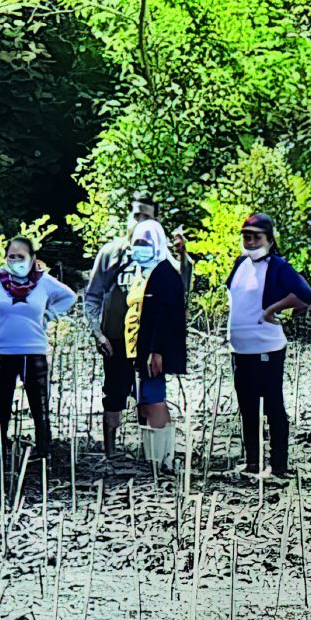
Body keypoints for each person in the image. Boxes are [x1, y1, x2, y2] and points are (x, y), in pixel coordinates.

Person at [83, 192, 192, 457]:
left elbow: (179, 293)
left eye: (146, 216)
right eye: (136, 215)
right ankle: (111, 453)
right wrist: (97, 333)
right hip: (116, 338)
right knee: (114, 394)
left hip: (149, 341)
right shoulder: (112, 252)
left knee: (150, 394)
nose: (139, 220)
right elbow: (93, 295)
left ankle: (154, 455)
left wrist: (184, 258)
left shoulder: (162, 255)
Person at [0, 237, 77, 463]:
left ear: (32, 258)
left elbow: (69, 297)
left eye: (21, 257)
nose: (16, 261)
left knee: (39, 408)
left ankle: (43, 456)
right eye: (11, 257)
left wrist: (49, 315)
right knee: (1, 409)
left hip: (34, 352)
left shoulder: (44, 282)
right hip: (2, 352)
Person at [224, 213, 311, 477]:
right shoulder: (240, 264)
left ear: (270, 240)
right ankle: (252, 462)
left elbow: (305, 295)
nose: (251, 242)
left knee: (273, 405)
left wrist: (273, 310)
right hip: (240, 349)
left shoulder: (277, 266)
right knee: (247, 406)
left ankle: (278, 466)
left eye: (257, 237)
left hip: (267, 347)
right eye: (247, 237)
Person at [123, 220, 187, 468]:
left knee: (154, 398)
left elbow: (165, 315)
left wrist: (156, 350)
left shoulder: (165, 273)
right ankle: (154, 457)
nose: (140, 248)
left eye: (146, 243)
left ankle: (163, 460)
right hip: (139, 348)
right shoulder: (142, 273)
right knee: (145, 401)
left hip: (154, 349)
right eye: (137, 242)